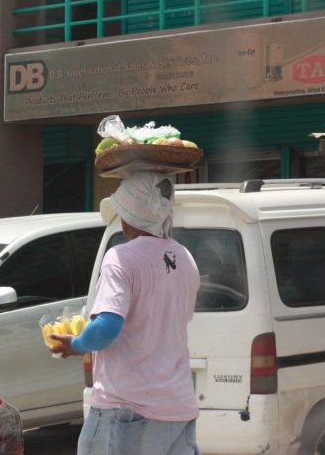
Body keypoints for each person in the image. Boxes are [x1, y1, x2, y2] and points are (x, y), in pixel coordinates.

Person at [50, 170, 200, 455]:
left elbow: (106, 327)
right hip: (179, 407)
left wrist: (77, 344)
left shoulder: (121, 257)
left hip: (128, 406)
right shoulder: (185, 257)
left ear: (128, 214)